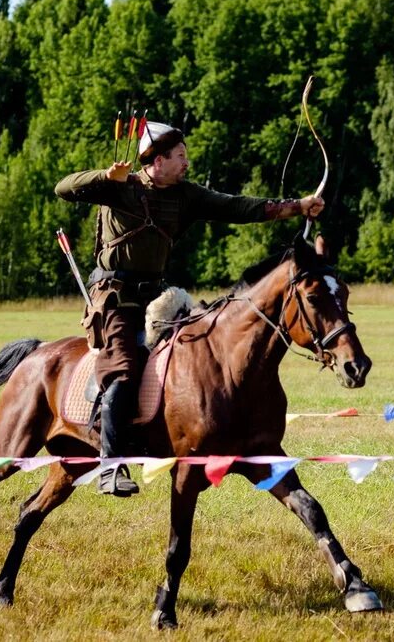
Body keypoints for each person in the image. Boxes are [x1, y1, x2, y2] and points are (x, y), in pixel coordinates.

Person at [55, 122, 324, 496]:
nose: (187, 162)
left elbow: (237, 206)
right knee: (123, 370)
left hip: (159, 298)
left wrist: (296, 207)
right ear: (159, 160)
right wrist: (106, 175)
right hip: (114, 298)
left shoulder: (186, 195)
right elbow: (64, 187)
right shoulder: (121, 187)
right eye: (180, 156)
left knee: (202, 350)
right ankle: (111, 467)